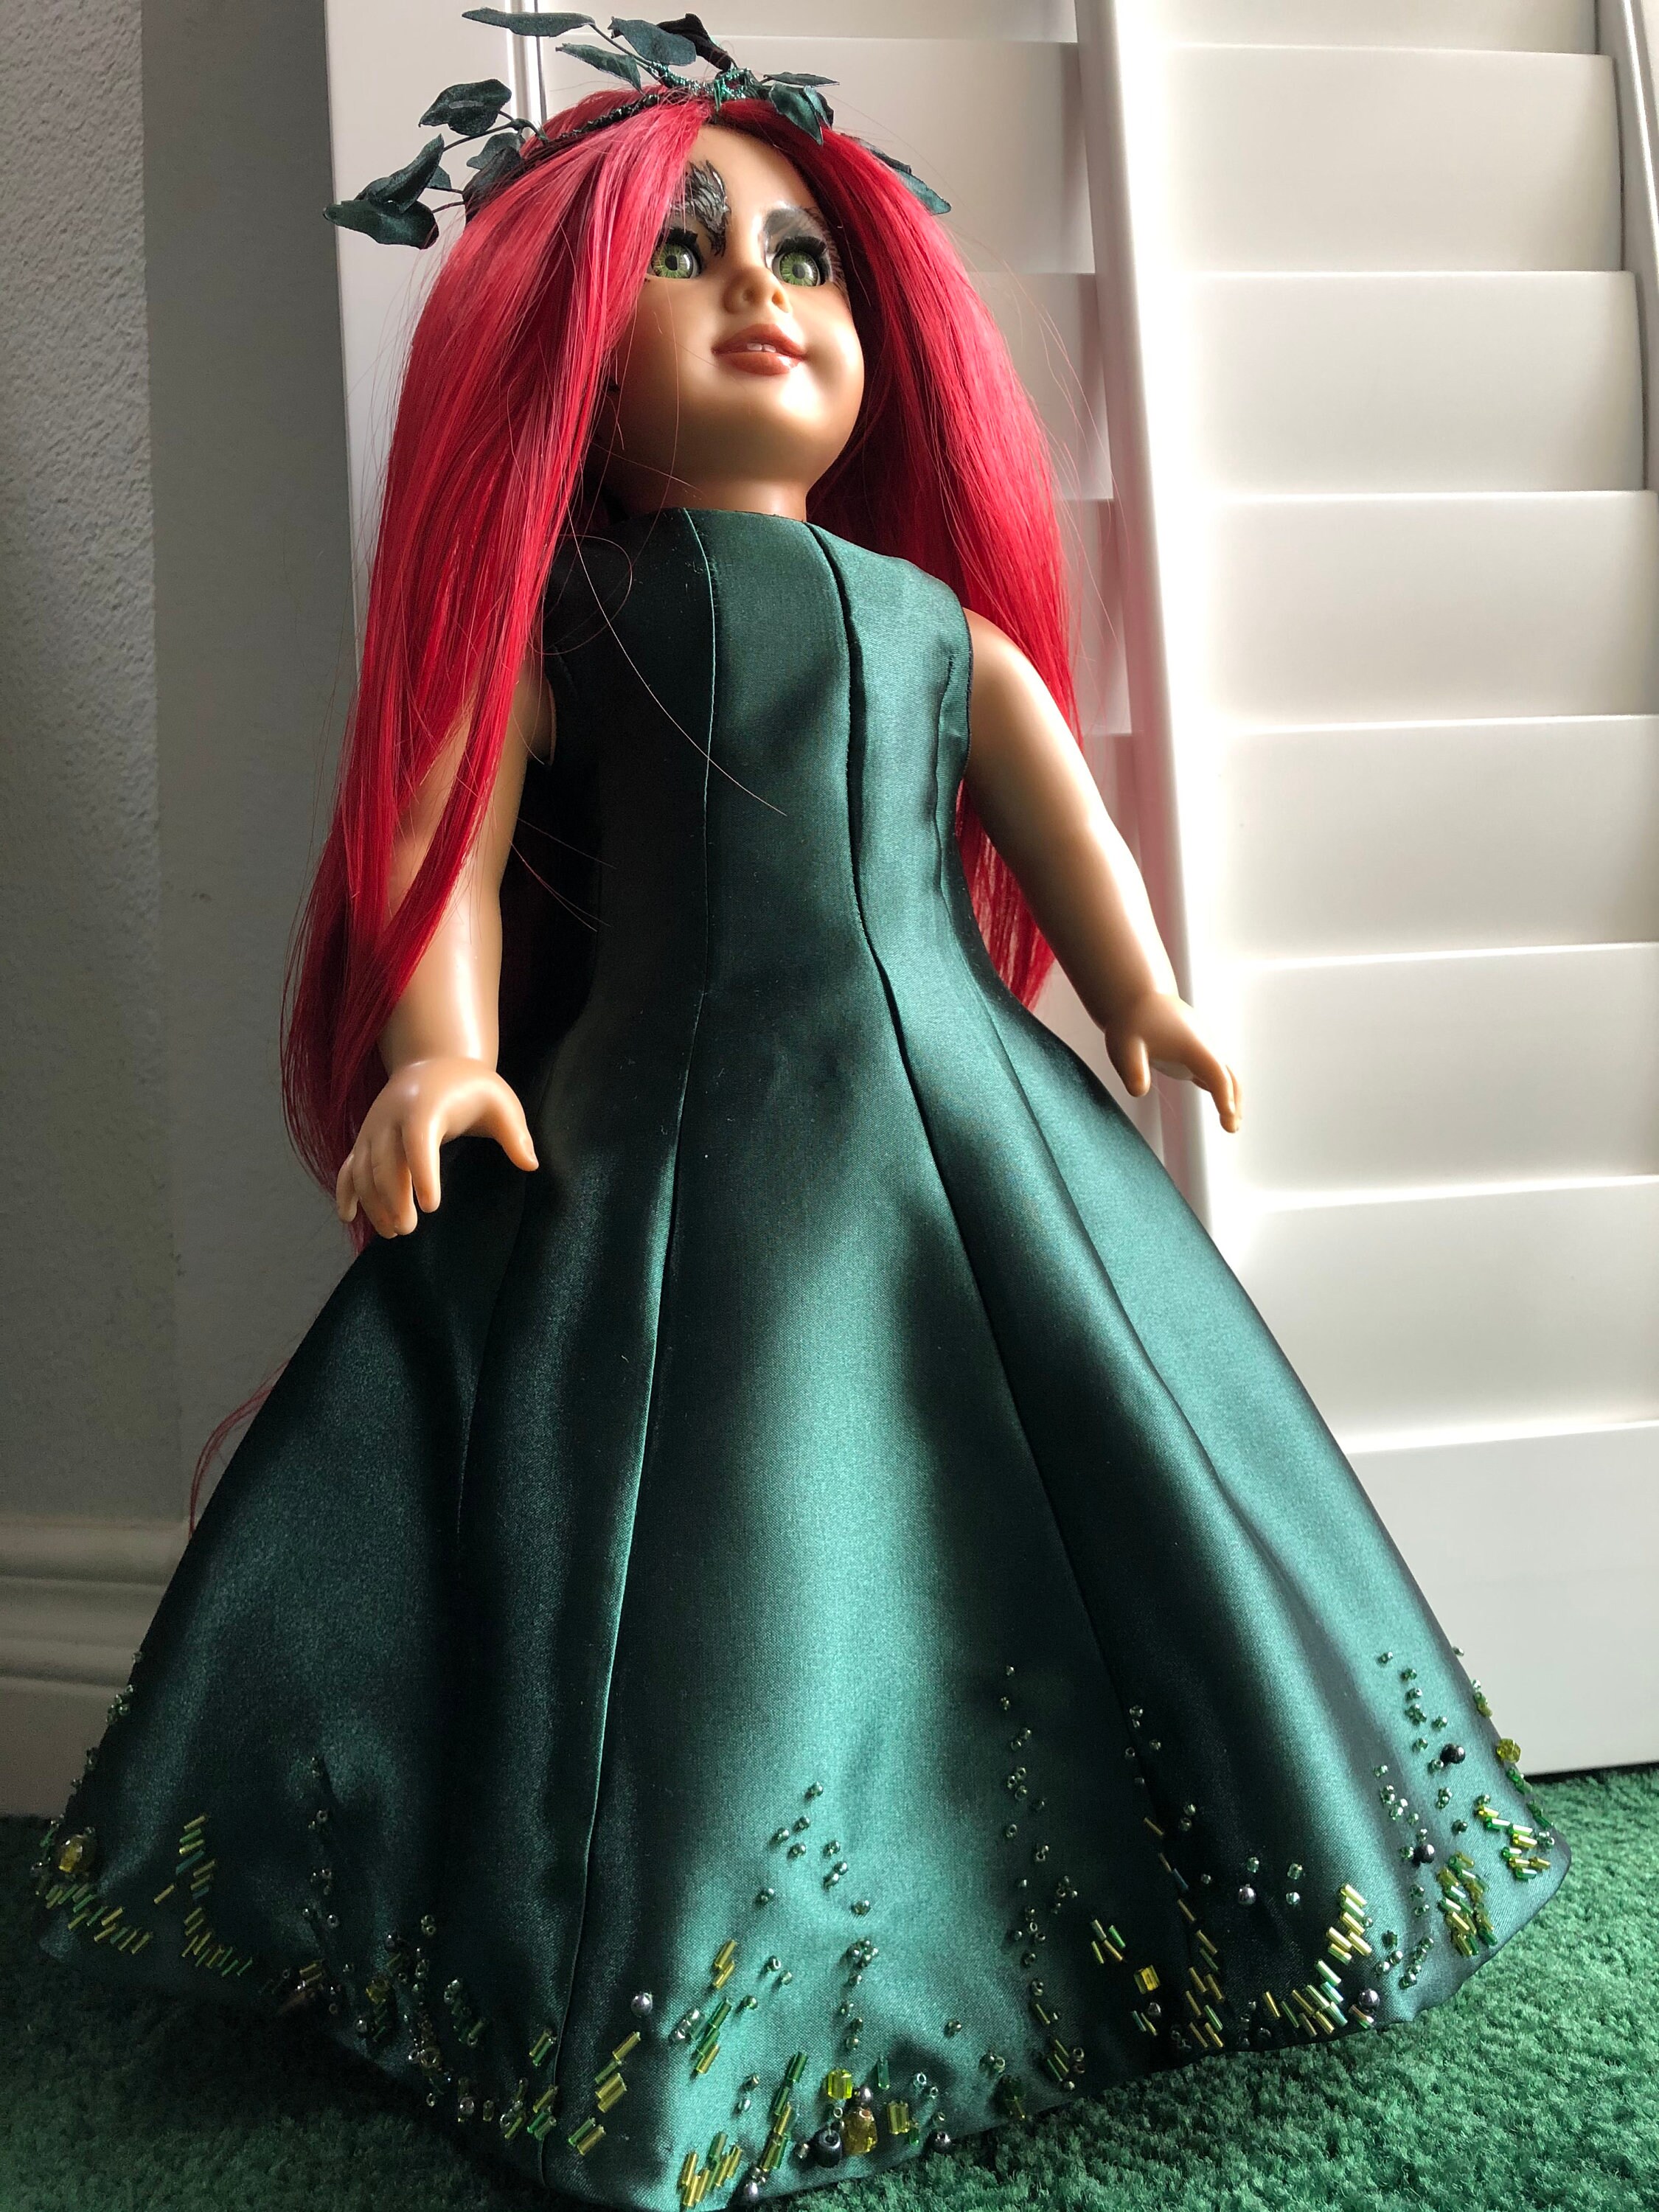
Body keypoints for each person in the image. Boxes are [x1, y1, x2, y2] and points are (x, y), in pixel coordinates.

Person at [33, 19, 1567, 2209]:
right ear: (560, 353)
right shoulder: (574, 621)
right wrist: (440, 1051)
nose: (761, 289)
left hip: (965, 1118)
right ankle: (684, 1961)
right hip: (670, 1132)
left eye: (805, 258)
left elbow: (1058, 824)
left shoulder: (934, 627)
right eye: (683, 256)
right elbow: (443, 852)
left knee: (1076, 1476)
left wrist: (1142, 995)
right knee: (717, 1520)